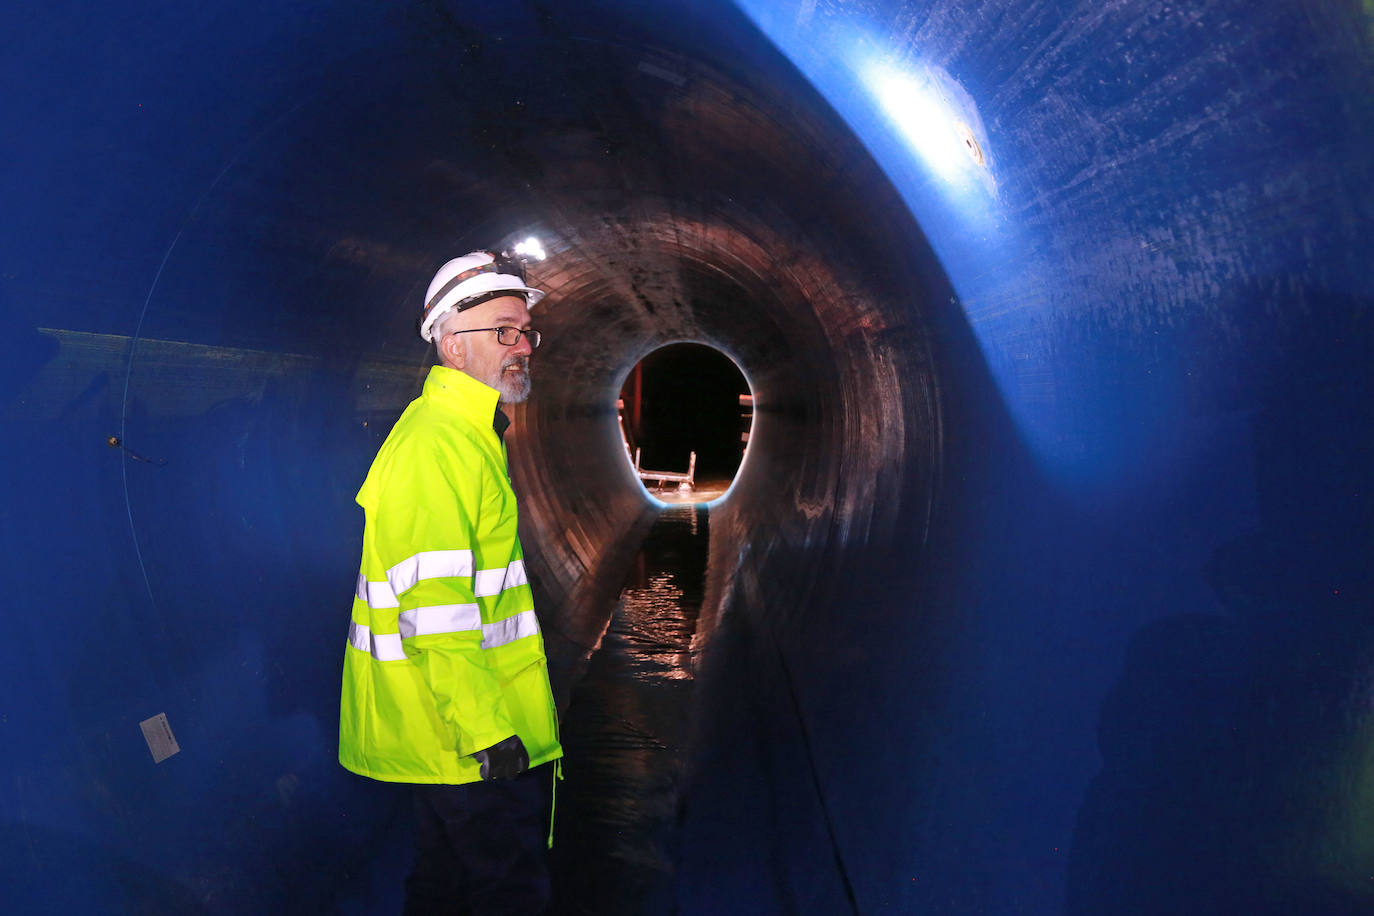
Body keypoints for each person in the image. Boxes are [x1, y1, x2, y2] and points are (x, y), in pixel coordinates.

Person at [339, 248, 563, 915]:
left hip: (461, 730)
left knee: (444, 883)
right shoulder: (436, 447)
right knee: (505, 890)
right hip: (467, 737)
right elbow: (433, 606)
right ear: (450, 343)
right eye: (504, 331)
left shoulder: (469, 435)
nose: (521, 346)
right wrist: (487, 732)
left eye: (525, 331)